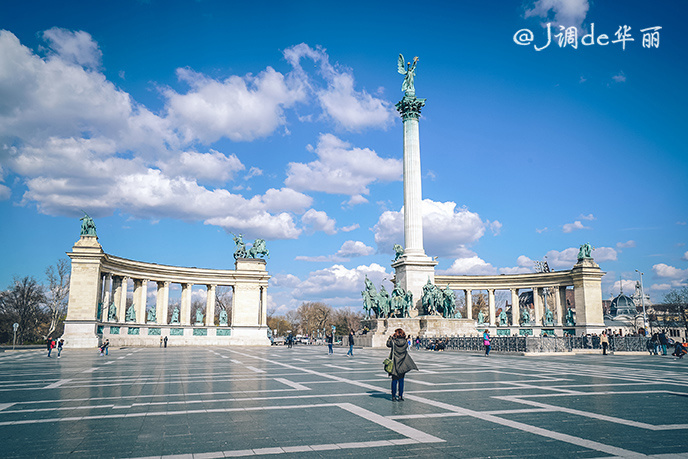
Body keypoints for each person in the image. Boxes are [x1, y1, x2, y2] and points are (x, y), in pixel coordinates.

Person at [386, 328, 418, 401]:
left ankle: (393, 396)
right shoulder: (405, 343)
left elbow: (388, 344)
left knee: (394, 381)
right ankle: (400, 396)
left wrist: (390, 337)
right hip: (403, 363)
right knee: (401, 381)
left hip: (394, 363)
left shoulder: (393, 342)